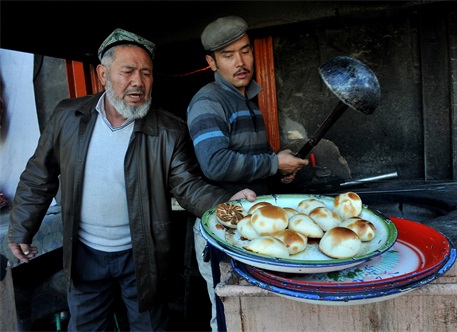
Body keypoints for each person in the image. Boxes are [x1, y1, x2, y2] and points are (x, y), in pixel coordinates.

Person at [8, 28, 256, 331]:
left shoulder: (167, 130)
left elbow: (187, 185)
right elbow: (39, 174)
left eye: (146, 73)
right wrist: (21, 227)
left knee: (149, 327)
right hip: (85, 254)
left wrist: (226, 202)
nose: (138, 82)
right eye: (127, 72)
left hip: (142, 257)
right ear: (103, 74)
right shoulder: (67, 117)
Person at [187, 16, 309, 331]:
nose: (240, 62)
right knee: (230, 311)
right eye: (228, 56)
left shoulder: (248, 102)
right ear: (211, 62)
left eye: (245, 51)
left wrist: (279, 170)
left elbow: (254, 159)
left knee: (258, 311)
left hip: (254, 222)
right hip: (223, 226)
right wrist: (273, 163)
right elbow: (214, 163)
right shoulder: (207, 102)